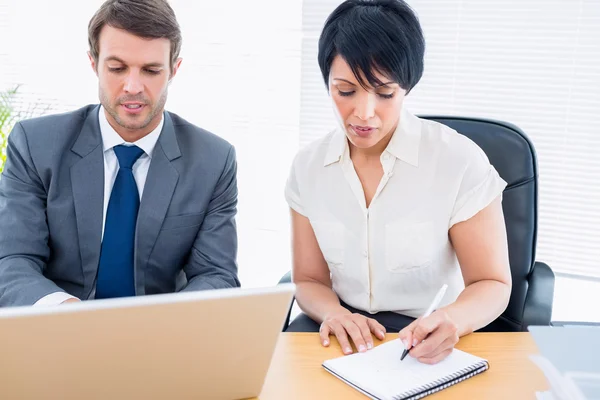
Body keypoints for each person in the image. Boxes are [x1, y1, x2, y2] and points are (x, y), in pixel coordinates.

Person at [285, 0, 512, 365]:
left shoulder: (458, 161)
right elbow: (308, 280)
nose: (364, 112)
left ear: (407, 86)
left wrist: (451, 320)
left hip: (429, 338)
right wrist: (333, 313)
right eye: (345, 91)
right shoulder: (308, 167)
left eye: (385, 93)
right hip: (347, 335)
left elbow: (493, 284)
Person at [0, 0, 240, 306]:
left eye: (151, 70)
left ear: (174, 70)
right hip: (58, 329)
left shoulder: (213, 160)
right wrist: (66, 312)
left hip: (158, 336)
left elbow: (217, 275)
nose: (132, 86)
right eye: (117, 68)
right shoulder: (35, 145)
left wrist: (165, 323)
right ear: (94, 64)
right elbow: (13, 261)